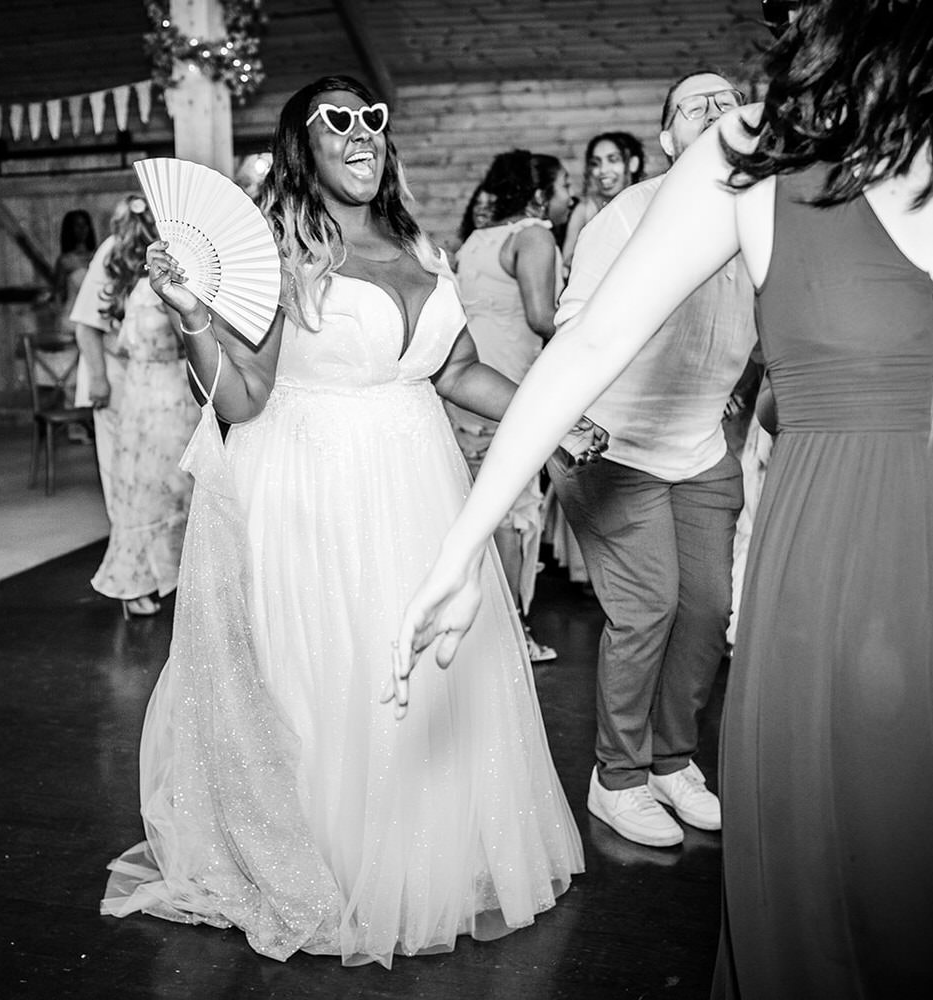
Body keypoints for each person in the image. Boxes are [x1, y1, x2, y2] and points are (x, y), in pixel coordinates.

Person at [395, 2, 933, 995]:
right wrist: (461, 544)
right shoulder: (750, 152)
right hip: (839, 575)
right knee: (851, 902)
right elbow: (591, 343)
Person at [101, 75, 583, 967]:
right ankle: (334, 868)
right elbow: (243, 401)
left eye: (373, 118)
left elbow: (459, 368)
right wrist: (193, 317)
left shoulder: (416, 240)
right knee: (339, 675)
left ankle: (428, 857)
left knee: (431, 676)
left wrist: (552, 418)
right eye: (338, 121)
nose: (361, 133)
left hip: (416, 486)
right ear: (304, 146)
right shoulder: (285, 250)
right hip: (314, 495)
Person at [546, 70, 755, 849]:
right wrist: (571, 423)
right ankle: (618, 779)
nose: (715, 108)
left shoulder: (761, 217)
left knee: (706, 609)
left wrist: (737, 382)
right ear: (668, 140)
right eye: (694, 105)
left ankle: (672, 763)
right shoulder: (629, 213)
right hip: (612, 445)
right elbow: (573, 322)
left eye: (730, 98)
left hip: (700, 446)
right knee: (650, 608)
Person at [445, 149, 579, 662]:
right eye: (565, 185)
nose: (571, 195)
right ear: (540, 193)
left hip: (468, 386)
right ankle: (512, 635)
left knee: (478, 507)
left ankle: (478, 632)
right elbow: (544, 317)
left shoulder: (479, 240)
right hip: (510, 391)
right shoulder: (535, 235)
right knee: (513, 512)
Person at [71, 197, 198, 618]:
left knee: (169, 483)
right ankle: (138, 573)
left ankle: (171, 571)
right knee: (129, 481)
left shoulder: (176, 262)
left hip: (157, 387)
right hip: (134, 384)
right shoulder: (112, 254)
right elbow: (90, 324)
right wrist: (101, 379)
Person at [561, 131, 645, 273]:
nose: (603, 170)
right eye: (596, 163)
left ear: (632, 164)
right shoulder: (585, 210)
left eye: (613, 160)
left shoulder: (648, 203)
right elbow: (566, 264)